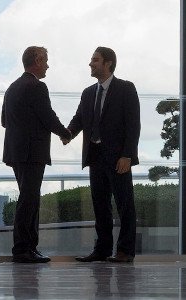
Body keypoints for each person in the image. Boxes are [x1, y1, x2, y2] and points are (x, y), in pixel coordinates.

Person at [64, 46, 140, 263]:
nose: (91, 63)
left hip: (118, 159)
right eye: (91, 60)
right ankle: (103, 250)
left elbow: (133, 125)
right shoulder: (88, 93)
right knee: (100, 205)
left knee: (125, 205)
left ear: (108, 63)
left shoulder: (126, 89)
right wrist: (67, 134)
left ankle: (125, 251)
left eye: (95, 60)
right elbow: (79, 119)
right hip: (95, 156)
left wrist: (127, 155)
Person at [2, 46, 71, 263]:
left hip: (16, 151)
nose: (48, 65)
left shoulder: (12, 87)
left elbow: (5, 121)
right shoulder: (37, 87)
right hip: (32, 152)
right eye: (46, 60)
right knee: (29, 200)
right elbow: (47, 116)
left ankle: (28, 248)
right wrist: (66, 133)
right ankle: (24, 249)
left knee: (28, 198)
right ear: (38, 60)